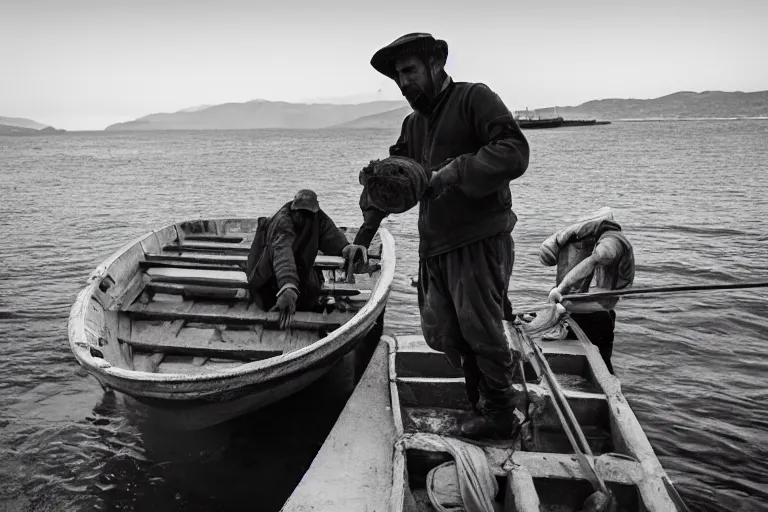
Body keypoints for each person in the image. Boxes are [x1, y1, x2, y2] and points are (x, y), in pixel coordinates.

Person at [353, 33, 530, 439]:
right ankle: (480, 405)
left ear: (436, 64)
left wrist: (455, 171)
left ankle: (501, 412)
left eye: (410, 71)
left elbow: (514, 150)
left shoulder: (474, 99)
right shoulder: (412, 125)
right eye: (398, 75)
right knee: (446, 334)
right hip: (436, 246)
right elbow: (393, 185)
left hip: (479, 240)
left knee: (481, 331)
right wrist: (364, 232)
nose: (403, 82)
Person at [246, 189, 367, 329]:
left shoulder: (318, 218)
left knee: (313, 283)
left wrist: (346, 248)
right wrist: (287, 286)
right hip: (268, 278)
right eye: (299, 212)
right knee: (269, 296)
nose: (303, 216)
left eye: (307, 213)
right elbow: (282, 253)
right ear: (293, 207)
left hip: (296, 272)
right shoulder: (283, 221)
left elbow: (331, 236)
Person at [541, 207, 635, 374]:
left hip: (599, 314)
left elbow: (595, 259)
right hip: (597, 308)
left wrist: (560, 288)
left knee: (600, 364)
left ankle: (608, 391)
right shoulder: (603, 238)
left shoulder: (612, 242)